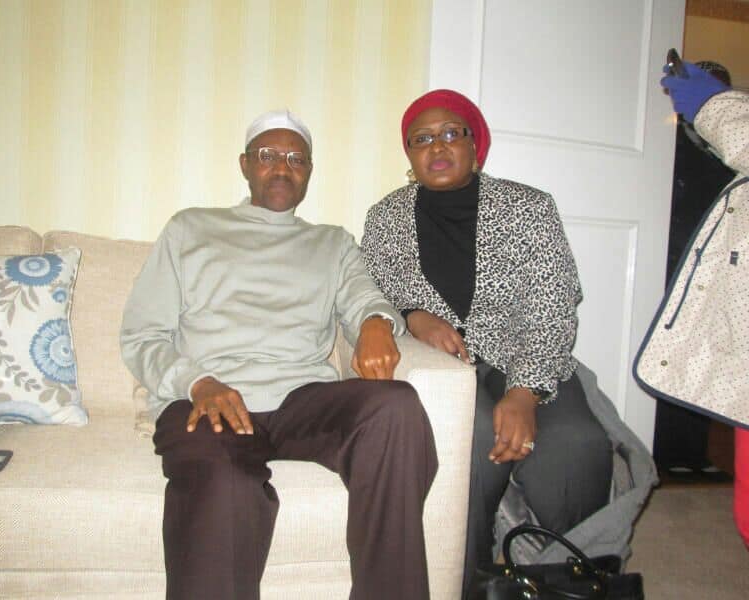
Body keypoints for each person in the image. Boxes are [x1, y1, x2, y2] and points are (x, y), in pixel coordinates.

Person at [120, 109, 439, 599]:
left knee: (396, 406)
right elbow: (143, 334)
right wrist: (197, 382)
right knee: (224, 485)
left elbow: (363, 300)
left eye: (297, 159)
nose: (282, 167)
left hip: (302, 401)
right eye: (268, 156)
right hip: (212, 400)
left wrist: (377, 323)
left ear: (309, 172)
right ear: (245, 165)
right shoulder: (190, 229)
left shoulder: (332, 242)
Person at [362, 89, 613, 597]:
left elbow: (555, 303)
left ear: (477, 146)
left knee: (577, 446)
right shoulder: (386, 217)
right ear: (408, 155)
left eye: (452, 133)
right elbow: (367, 291)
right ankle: (468, 577)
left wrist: (523, 393)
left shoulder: (530, 207)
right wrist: (412, 317)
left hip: (531, 359)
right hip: (449, 367)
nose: (437, 146)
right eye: (422, 138)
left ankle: (566, 580)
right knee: (469, 438)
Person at [658, 61, 749, 549]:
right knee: (685, 360)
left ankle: (690, 451)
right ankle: (667, 449)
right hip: (683, 263)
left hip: (725, 273)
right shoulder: (668, 149)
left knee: (711, 364)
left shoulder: (727, 142)